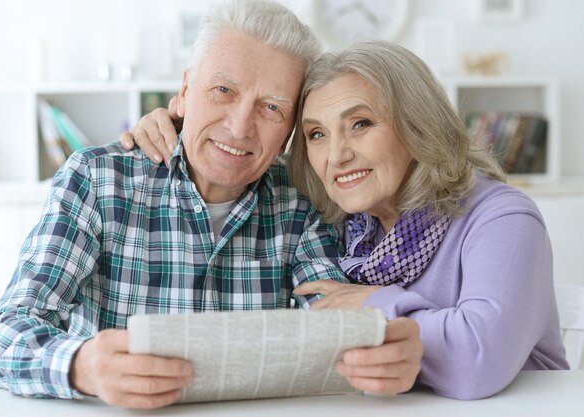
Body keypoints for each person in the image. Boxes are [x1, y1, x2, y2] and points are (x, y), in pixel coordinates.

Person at [0, 0, 422, 410]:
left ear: (290, 129)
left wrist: (379, 348)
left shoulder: (300, 199)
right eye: (223, 90)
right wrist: (81, 366)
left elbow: (331, 324)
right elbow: (3, 334)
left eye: (271, 107)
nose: (239, 126)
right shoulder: (97, 180)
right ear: (185, 90)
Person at [122, 40, 569, 400]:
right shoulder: (346, 229)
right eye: (317, 134)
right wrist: (178, 129)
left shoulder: (502, 217)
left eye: (360, 124)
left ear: (417, 125)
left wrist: (371, 303)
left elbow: (478, 358)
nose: (337, 155)